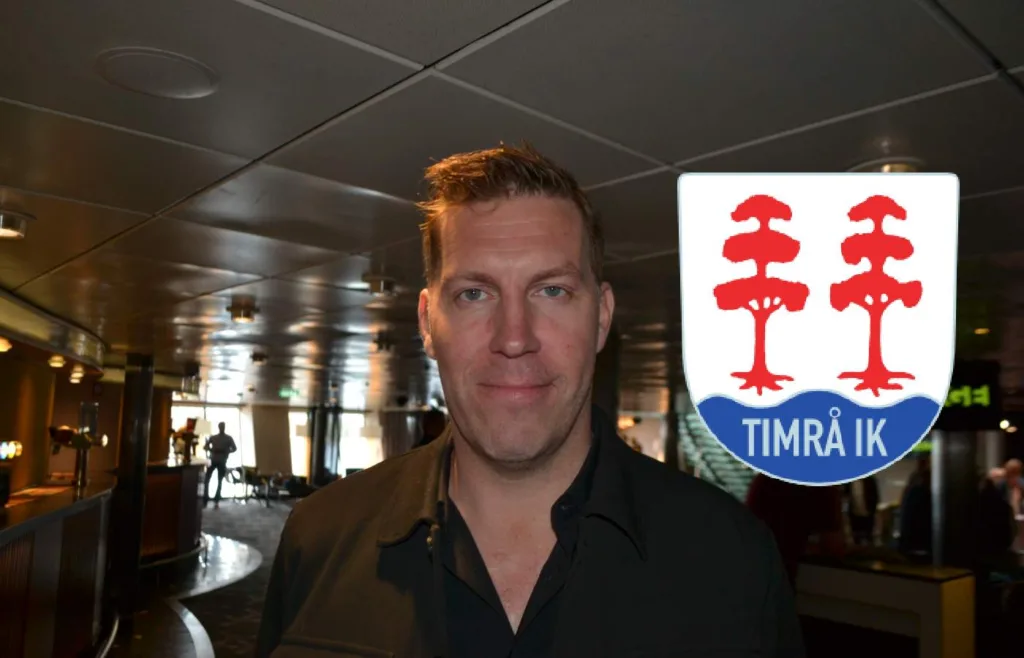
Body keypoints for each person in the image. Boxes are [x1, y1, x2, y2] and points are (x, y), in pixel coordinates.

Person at [256, 144, 803, 657]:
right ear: (427, 323)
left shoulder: (733, 558)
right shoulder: (318, 540)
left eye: (552, 290)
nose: (514, 338)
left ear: (601, 318)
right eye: (474, 294)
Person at [746, 473, 846, 587]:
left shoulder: (764, 480)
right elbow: (833, 547)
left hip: (749, 573)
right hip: (781, 579)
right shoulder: (821, 487)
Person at [203, 422, 236, 509]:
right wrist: (212, 450)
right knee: (207, 480)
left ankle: (216, 501)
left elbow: (234, 448)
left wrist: (227, 451)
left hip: (222, 461)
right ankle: (205, 499)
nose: (222, 427)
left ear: (224, 427)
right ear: (219, 427)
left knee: (219, 481)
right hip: (213, 460)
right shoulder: (213, 437)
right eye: (221, 426)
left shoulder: (228, 438)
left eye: (223, 426)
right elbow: (205, 447)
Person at [843, 475, 879, 545]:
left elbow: (875, 496)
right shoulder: (849, 482)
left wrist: (873, 510)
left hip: (868, 513)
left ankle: (869, 547)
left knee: (868, 535)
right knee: (856, 536)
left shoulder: (870, 480)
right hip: (854, 514)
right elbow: (845, 495)